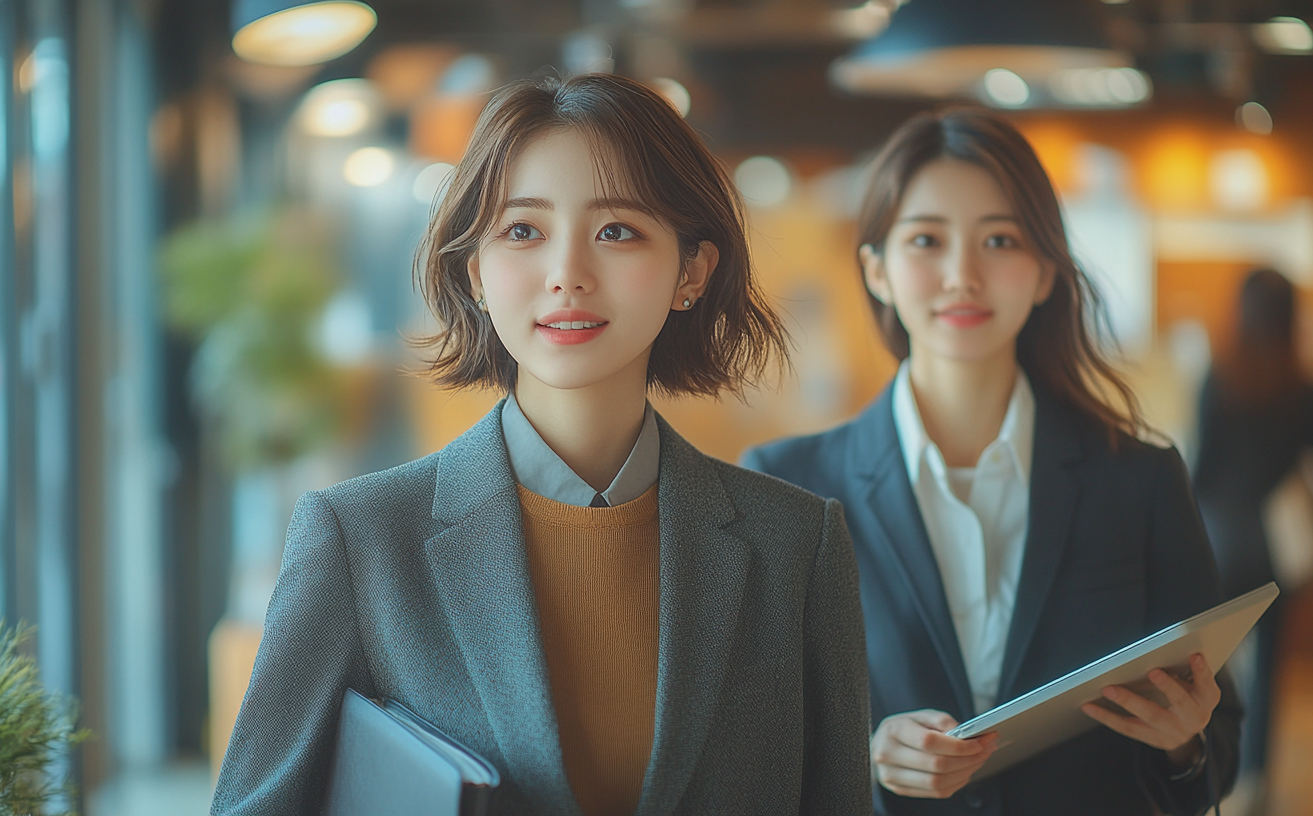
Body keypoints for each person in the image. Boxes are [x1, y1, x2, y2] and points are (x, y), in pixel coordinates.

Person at [210, 74, 871, 816]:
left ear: (691, 272)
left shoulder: (796, 545)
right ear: (475, 273)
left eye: (616, 231)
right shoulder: (361, 540)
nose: (567, 276)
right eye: (523, 231)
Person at [742, 108, 1241, 815]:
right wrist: (863, 756)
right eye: (926, 240)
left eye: (999, 240)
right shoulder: (785, 484)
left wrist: (1184, 743)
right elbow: (746, 750)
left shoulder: (1140, 479)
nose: (962, 275)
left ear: (1043, 273)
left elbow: (1220, 749)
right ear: (877, 271)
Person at [1192, 268, 1313, 794]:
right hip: (1277, 544)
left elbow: (1201, 464)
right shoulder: (1306, 386)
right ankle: (1257, 778)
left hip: (1221, 540)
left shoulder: (1218, 375)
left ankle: (1209, 769)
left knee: (1210, 665)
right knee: (1268, 667)